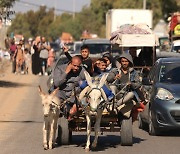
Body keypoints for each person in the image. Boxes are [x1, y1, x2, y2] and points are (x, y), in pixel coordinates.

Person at [108, 53, 145, 122]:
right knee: (112, 87)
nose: (124, 63)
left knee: (132, 94)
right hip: (116, 93)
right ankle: (111, 103)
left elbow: (138, 84)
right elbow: (108, 79)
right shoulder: (115, 71)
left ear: (129, 62)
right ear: (120, 62)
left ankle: (115, 105)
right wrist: (114, 77)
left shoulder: (134, 73)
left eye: (126, 61)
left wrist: (131, 84)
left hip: (126, 95)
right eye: (123, 61)